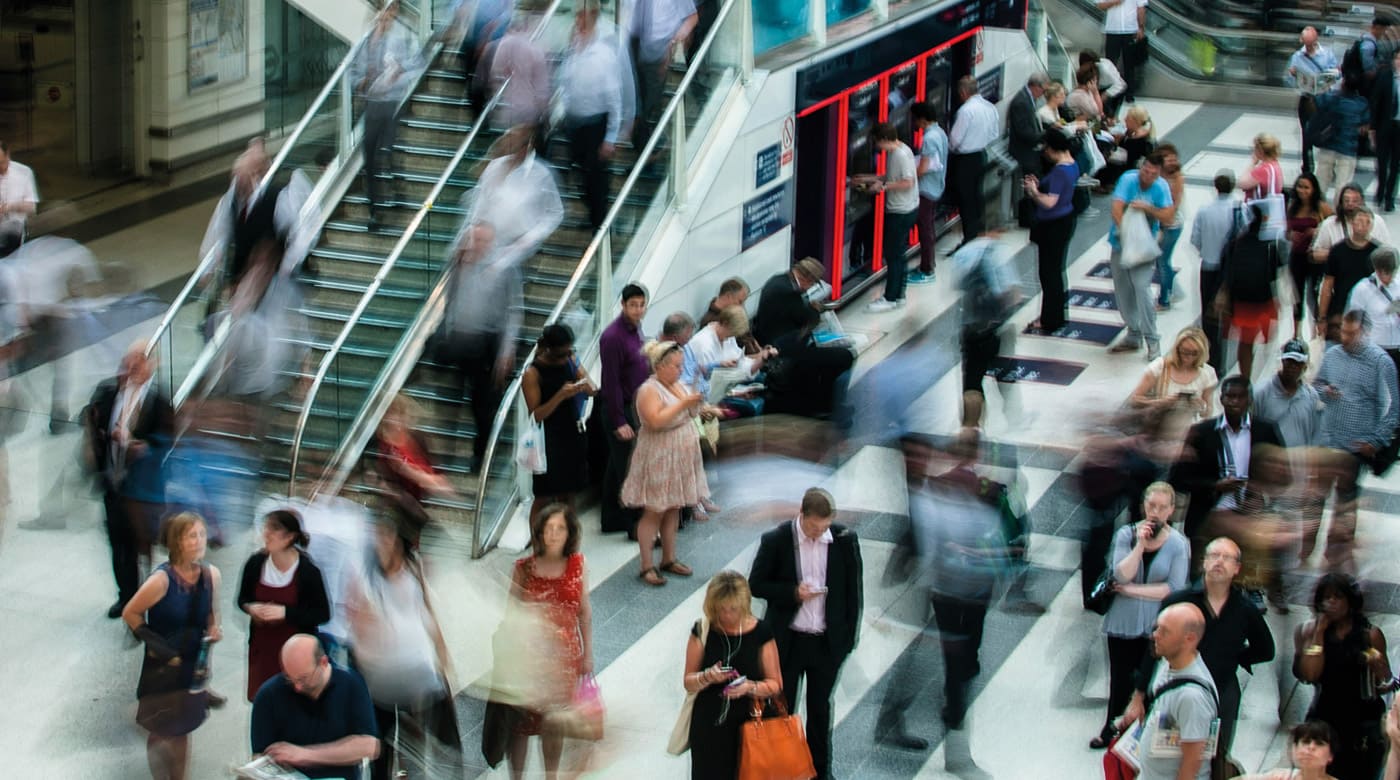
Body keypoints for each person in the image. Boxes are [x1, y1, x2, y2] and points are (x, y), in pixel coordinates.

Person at [1120, 538, 1274, 766]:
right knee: (1169, 757)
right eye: (1214, 555)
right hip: (1178, 688)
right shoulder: (1179, 601)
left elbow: (1266, 650)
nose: (1219, 561)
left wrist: (1237, 656)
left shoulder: (1244, 609)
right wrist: (1139, 695)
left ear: (1237, 568)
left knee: (1214, 759)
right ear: (1204, 562)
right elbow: (1153, 649)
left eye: (1227, 558)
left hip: (1222, 690)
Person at [748, 488, 862, 780]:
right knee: (781, 708)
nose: (818, 533)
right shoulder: (777, 540)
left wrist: (847, 641)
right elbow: (756, 584)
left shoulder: (844, 541)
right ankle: (781, 769)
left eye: (824, 527)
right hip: (789, 641)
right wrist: (792, 593)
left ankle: (820, 771)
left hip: (826, 642)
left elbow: (854, 594)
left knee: (820, 710)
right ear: (802, 514)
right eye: (813, 527)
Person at [346, 516, 463, 780]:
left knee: (427, 741)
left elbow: (427, 611)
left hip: (417, 671)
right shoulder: (364, 576)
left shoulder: (413, 567)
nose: (382, 542)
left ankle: (410, 772)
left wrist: (443, 658)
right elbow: (357, 625)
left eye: (387, 536)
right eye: (378, 537)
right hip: (380, 677)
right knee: (381, 747)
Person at [122, 513, 223, 780]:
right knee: (160, 730)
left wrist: (214, 629)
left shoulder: (211, 575)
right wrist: (158, 646)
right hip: (162, 669)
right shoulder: (161, 580)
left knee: (183, 729)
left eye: (202, 534)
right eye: (192, 536)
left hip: (191, 666)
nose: (199, 541)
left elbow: (212, 614)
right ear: (177, 541)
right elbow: (130, 613)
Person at [1091, 482, 1190, 750]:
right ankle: (1111, 728)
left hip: (1155, 625)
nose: (1155, 512)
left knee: (1146, 681)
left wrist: (1130, 591)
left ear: (1171, 510)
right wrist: (1140, 547)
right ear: (1143, 506)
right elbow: (1121, 573)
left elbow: (1172, 588)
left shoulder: (1178, 544)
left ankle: (1140, 734)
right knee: (1119, 678)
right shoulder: (1127, 534)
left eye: (1162, 507)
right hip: (1122, 620)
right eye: (1151, 505)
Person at [507, 504, 594, 780]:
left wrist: (588, 653)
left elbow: (584, 611)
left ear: (570, 533)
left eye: (560, 528)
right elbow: (511, 614)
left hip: (564, 661)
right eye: (549, 528)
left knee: (554, 722)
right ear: (539, 533)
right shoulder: (523, 569)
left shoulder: (578, 565)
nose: (554, 534)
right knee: (520, 724)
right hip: (528, 659)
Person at [1314, 309, 1400, 570]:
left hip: (1354, 447)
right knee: (1315, 496)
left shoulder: (1381, 362)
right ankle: (1306, 545)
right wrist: (1325, 390)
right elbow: (1317, 384)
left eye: (1351, 333)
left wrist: (1376, 439)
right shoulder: (1332, 355)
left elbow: (1393, 407)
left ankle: (1336, 553)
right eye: (1343, 331)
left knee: (1345, 500)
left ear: (1365, 332)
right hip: (1328, 439)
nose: (1345, 338)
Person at [621, 340, 712, 586]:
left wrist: (699, 405)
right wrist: (685, 403)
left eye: (681, 366)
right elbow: (655, 421)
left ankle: (669, 558)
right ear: (659, 366)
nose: (680, 370)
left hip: (681, 453)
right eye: (676, 366)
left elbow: (690, 412)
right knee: (654, 510)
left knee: (673, 507)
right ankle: (646, 565)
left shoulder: (678, 385)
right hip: (660, 454)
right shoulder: (648, 390)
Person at [94, 343, 173, 618]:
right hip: (113, 483)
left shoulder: (158, 401)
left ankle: (147, 597)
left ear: (153, 363)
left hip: (142, 490)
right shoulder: (108, 392)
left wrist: (141, 447)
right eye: (130, 358)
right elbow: (93, 422)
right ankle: (126, 596)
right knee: (118, 543)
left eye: (141, 359)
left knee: (142, 545)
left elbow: (167, 441)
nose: (134, 364)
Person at [681, 571, 782, 779]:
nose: (727, 615)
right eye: (721, 609)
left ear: (744, 605)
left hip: (750, 723)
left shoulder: (761, 632)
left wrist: (750, 687)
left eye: (733, 609)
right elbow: (688, 681)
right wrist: (707, 677)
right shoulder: (702, 630)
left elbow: (775, 684)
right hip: (709, 726)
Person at [1169, 377, 1285, 554]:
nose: (1234, 402)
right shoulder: (1202, 432)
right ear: (1221, 399)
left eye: (1240, 397)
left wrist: (1261, 492)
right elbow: (1179, 478)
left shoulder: (1265, 431)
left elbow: (1282, 473)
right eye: (1230, 396)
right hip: (1208, 519)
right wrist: (1214, 485)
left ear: (1250, 399)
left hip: (1251, 519)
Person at [1294, 573, 1393, 779]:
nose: (1331, 602)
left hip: (1362, 723)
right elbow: (1310, 674)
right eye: (1326, 597)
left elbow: (1386, 683)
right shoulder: (1309, 632)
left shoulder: (1369, 635)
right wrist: (1319, 633)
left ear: (1350, 601)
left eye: (1338, 597)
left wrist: (1379, 669)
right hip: (1325, 717)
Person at [250, 634, 380, 780]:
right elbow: (259, 756)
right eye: (289, 678)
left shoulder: (351, 684)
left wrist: (305, 754)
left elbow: (370, 746)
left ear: (323, 662)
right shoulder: (268, 694)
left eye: (303, 678)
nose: (297, 687)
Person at [237, 509, 331, 702]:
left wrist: (285, 613)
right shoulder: (256, 563)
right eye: (266, 528)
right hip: (262, 649)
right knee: (264, 701)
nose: (267, 534)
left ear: (289, 537)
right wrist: (250, 608)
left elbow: (322, 614)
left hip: (296, 655)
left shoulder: (308, 572)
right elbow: (242, 598)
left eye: (274, 529)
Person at [1118, 603, 1220, 780]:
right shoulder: (1167, 664)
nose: (1155, 635)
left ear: (1189, 639)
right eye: (1157, 628)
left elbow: (1191, 765)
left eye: (1164, 631)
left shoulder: (1192, 697)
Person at [560, 0, 633, 233]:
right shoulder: (574, 48)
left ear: (592, 16)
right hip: (575, 122)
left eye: (581, 16)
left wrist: (611, 137)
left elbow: (614, 98)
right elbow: (566, 81)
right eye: (576, 16)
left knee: (596, 179)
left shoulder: (604, 54)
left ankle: (601, 224)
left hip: (595, 124)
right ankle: (593, 216)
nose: (577, 21)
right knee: (581, 174)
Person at [751, 258, 855, 417]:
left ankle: (826, 404)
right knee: (844, 356)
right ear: (808, 279)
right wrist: (815, 309)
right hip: (785, 351)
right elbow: (807, 318)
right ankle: (826, 405)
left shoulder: (777, 281)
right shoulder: (789, 293)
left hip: (781, 344)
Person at [1252, 339, 1326, 563]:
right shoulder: (1261, 392)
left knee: (1289, 529)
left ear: (1305, 366)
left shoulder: (1311, 397)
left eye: (1297, 363)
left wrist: (1313, 476)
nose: (1292, 367)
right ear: (1282, 361)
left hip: (1298, 476)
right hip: (1268, 476)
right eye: (1289, 361)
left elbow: (1316, 438)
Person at [351, 1, 422, 229]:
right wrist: (361, 83)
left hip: (392, 104)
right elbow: (353, 72)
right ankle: (375, 210)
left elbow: (416, 64)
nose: (385, 16)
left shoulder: (403, 37)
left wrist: (396, 78)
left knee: (390, 151)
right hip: (372, 105)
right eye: (383, 11)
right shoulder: (366, 40)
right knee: (370, 156)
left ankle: (397, 190)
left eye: (390, 11)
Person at [460, 124, 564, 270]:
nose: (507, 145)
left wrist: (531, 237)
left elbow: (555, 213)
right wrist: (471, 235)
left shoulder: (541, 174)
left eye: (513, 141)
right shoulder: (494, 166)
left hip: (518, 251)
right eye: (507, 139)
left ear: (526, 147)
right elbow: (480, 203)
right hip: (486, 246)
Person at [522, 324, 595, 523]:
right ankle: (538, 540)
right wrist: (560, 395)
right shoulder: (533, 373)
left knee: (569, 493)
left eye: (569, 351)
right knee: (543, 496)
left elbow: (592, 389)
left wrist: (580, 374)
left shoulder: (570, 360)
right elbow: (536, 415)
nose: (566, 357)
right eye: (562, 354)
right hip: (548, 440)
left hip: (572, 433)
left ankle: (568, 537)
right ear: (549, 349)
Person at [1107, 150, 1175, 360]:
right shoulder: (1128, 180)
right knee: (1123, 290)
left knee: (1142, 290)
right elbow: (1116, 208)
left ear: (1158, 174)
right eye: (1145, 171)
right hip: (1121, 244)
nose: (1147, 177)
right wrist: (1127, 234)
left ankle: (1152, 339)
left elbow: (1168, 216)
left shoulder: (1161, 187)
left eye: (1153, 174)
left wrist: (1148, 208)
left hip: (1144, 249)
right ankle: (1133, 332)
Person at [952, 230, 1021, 427]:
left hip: (970, 327)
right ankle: (1013, 416)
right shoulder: (998, 252)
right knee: (1004, 374)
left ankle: (972, 423)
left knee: (972, 379)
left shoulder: (963, 253)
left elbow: (956, 285)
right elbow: (1011, 293)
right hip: (994, 328)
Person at [366, 393, 454, 545]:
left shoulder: (418, 438)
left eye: (396, 413)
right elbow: (377, 481)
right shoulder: (379, 445)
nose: (392, 419)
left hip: (415, 509)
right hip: (396, 511)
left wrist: (414, 474)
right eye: (387, 413)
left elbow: (436, 476)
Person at [598, 284, 648, 534]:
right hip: (620, 407)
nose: (638, 310)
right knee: (630, 468)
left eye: (641, 305)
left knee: (616, 464)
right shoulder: (613, 337)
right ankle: (635, 525)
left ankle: (611, 519)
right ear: (623, 305)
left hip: (634, 405)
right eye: (633, 305)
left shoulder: (636, 329)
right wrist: (619, 420)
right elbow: (611, 382)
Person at [1217, 202, 1286, 381]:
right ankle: (1255, 378)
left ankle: (1246, 379)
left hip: (1243, 302)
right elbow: (1276, 274)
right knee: (1263, 341)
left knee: (1246, 343)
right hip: (1262, 301)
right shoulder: (1270, 245)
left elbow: (1226, 273)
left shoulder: (1234, 244)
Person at [861, 121, 920, 313]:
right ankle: (899, 295)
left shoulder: (900, 155)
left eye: (878, 142)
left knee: (893, 256)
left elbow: (907, 182)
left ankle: (890, 297)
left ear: (885, 139)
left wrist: (883, 187)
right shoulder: (901, 151)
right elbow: (892, 176)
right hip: (907, 209)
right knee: (899, 255)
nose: (877, 147)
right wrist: (869, 178)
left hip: (900, 212)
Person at [1025, 130, 1080, 333]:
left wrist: (1033, 192)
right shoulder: (1072, 164)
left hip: (1053, 225)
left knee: (1049, 273)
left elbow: (1049, 202)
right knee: (1056, 271)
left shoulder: (1060, 172)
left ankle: (1050, 319)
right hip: (1065, 220)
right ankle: (1055, 315)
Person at [1193, 169, 1242, 374]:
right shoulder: (1239, 209)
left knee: (1209, 316)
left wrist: (1207, 249)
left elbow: (1195, 239)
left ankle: (1212, 361)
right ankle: (1224, 359)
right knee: (1228, 313)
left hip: (1209, 266)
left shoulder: (1204, 210)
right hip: (1232, 269)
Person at [630, 0, 697, 148]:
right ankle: (645, 145)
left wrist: (673, 46)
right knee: (639, 104)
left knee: (650, 107)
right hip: (636, 48)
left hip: (660, 53)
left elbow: (692, 17)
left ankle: (650, 148)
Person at [946, 75, 999, 244]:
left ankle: (969, 237)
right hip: (981, 155)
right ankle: (978, 231)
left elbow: (955, 140)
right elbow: (994, 134)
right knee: (977, 195)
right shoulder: (990, 107)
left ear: (963, 92)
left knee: (966, 199)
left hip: (965, 160)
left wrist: (952, 150)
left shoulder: (965, 111)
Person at [1129, 326, 1218, 421]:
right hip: (1158, 423)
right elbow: (1134, 400)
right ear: (1177, 349)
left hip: (1189, 426)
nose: (1189, 357)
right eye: (1185, 352)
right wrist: (1160, 403)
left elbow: (1208, 411)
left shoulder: (1207, 373)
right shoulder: (1160, 366)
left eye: (1194, 353)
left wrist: (1201, 406)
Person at [1319, 210, 1381, 344]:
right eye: (1359, 221)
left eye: (1367, 222)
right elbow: (1327, 285)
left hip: (1367, 316)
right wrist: (1322, 317)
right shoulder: (1337, 250)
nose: (1363, 225)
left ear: (1372, 226)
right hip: (1339, 313)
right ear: (1352, 223)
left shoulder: (1378, 252)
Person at [1287, 173, 1334, 340]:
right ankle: (1296, 334)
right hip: (1297, 256)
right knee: (1296, 295)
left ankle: (1316, 332)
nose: (1302, 191)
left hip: (1315, 258)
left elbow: (1333, 225)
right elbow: (1285, 229)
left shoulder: (1322, 207)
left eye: (1306, 187)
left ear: (1314, 189)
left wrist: (1317, 231)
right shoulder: (1293, 207)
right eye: (1300, 187)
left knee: (1315, 294)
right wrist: (1290, 235)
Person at [483, 14, 550, 132]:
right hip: (529, 107)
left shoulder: (503, 44)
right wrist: (544, 112)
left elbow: (494, 73)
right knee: (525, 137)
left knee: (510, 137)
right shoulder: (535, 50)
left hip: (509, 106)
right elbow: (542, 87)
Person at [1287, 26, 1340, 174]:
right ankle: (1307, 167)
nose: (1308, 47)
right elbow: (1290, 80)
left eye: (1311, 44)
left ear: (1316, 41)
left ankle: (1330, 166)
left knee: (1326, 133)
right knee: (1306, 134)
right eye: (1306, 44)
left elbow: (1337, 73)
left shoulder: (1327, 54)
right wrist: (1293, 75)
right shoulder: (1297, 56)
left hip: (1324, 98)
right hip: (1306, 99)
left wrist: (1330, 75)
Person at [1311, 74, 1372, 200]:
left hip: (1328, 144)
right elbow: (1365, 126)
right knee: (1343, 185)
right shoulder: (1362, 104)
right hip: (1348, 148)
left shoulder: (1330, 98)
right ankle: (1339, 209)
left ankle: (1318, 206)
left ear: (1343, 84)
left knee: (1321, 181)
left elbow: (1315, 102)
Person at [911, 100, 948, 284]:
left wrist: (909, 177)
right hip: (936, 187)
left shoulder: (929, 139)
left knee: (925, 229)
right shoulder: (940, 132)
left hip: (926, 189)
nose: (914, 123)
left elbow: (923, 167)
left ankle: (927, 269)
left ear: (922, 119)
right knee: (928, 227)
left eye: (915, 119)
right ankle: (927, 265)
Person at [1345, 245, 1400, 361]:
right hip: (1374, 350)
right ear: (1377, 270)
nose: (1390, 276)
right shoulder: (1362, 289)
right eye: (1386, 273)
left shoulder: (1399, 285)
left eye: (1393, 272)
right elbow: (1353, 321)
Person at [1097, 0, 1147, 106]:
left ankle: (1129, 94)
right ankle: (1110, 93)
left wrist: (1141, 27)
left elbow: (1141, 8)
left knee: (1130, 65)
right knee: (1110, 64)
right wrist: (1114, 2)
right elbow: (1100, 5)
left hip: (1130, 30)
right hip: (1112, 31)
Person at [1155, 143, 1186, 309]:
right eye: (1168, 159)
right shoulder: (1159, 174)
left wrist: (1164, 219)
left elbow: (1174, 202)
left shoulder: (1177, 178)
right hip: (1161, 221)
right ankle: (1175, 290)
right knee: (1161, 260)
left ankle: (1165, 299)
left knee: (1163, 260)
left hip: (1172, 224)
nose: (1172, 162)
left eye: (1174, 159)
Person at [1008, 71, 1050, 191]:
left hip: (1032, 150)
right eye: (1043, 91)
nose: (1043, 95)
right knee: (1032, 189)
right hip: (1025, 153)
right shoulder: (1021, 102)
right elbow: (1024, 133)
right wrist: (1046, 134)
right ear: (1036, 86)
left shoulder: (1028, 98)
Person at [0, 140, 38, 257]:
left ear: (8, 155)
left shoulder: (24, 172)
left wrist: (10, 207)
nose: (0, 168)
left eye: (2, 162)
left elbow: (32, 207)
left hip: (15, 232)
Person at [1373, 49, 1400, 212]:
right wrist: (1373, 127)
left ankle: (1390, 197)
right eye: (1398, 58)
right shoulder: (1385, 77)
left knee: (1396, 164)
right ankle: (1380, 191)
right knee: (1382, 162)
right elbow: (1376, 101)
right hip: (1385, 125)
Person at [1082, 49, 1127, 118]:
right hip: (1101, 87)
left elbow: (1120, 84)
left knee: (1104, 107)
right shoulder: (1090, 68)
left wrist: (1106, 94)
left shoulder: (1105, 70)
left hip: (1114, 88)